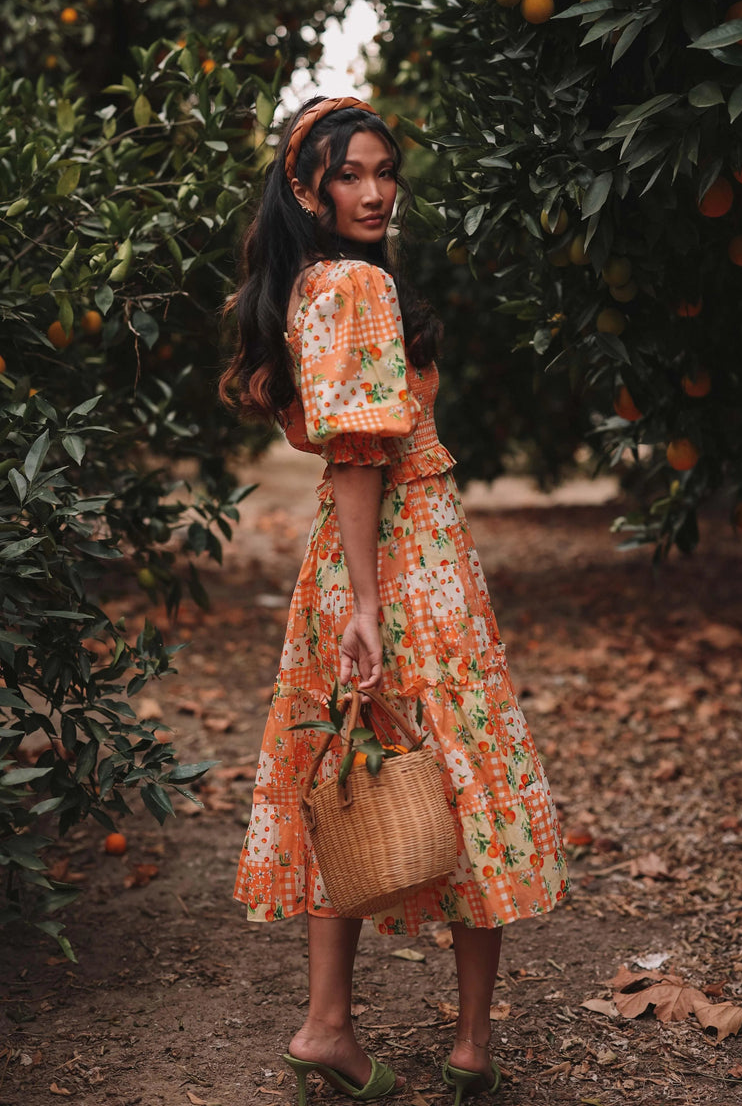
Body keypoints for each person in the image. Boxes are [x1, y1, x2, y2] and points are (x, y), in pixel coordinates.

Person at [221, 95, 569, 1105]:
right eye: (349, 175)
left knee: (344, 772)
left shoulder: (304, 287)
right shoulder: (356, 284)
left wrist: (353, 596)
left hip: (348, 561)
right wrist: (373, 607)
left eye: (383, 172)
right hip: (407, 563)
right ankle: (468, 1046)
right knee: (465, 777)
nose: (374, 192)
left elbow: (340, 452)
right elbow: (359, 457)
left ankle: (329, 1024)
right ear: (306, 189)